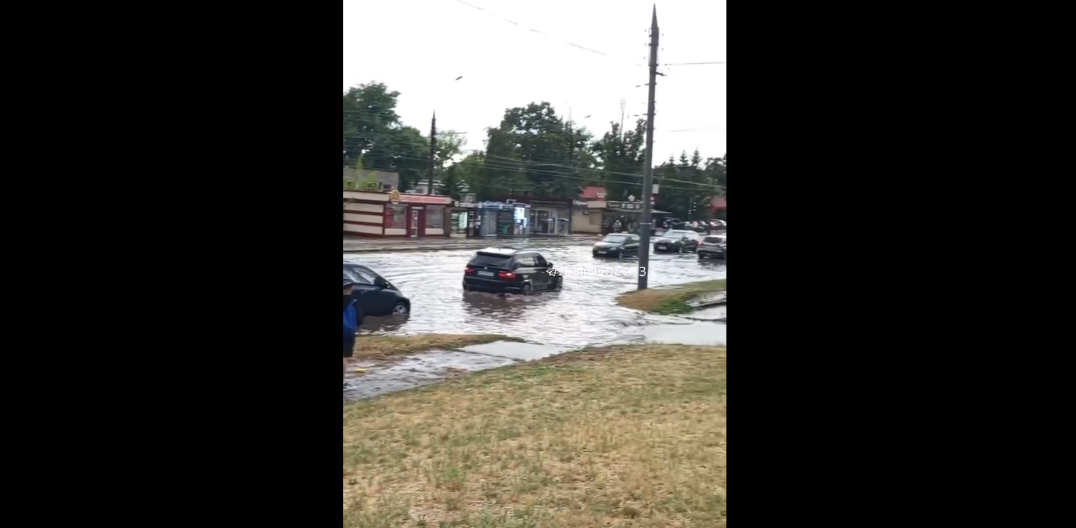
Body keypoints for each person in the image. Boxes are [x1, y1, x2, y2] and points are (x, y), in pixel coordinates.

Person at [343, 277, 363, 390]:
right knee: (343, 357)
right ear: (350, 288)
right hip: (348, 334)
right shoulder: (354, 302)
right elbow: (360, 319)